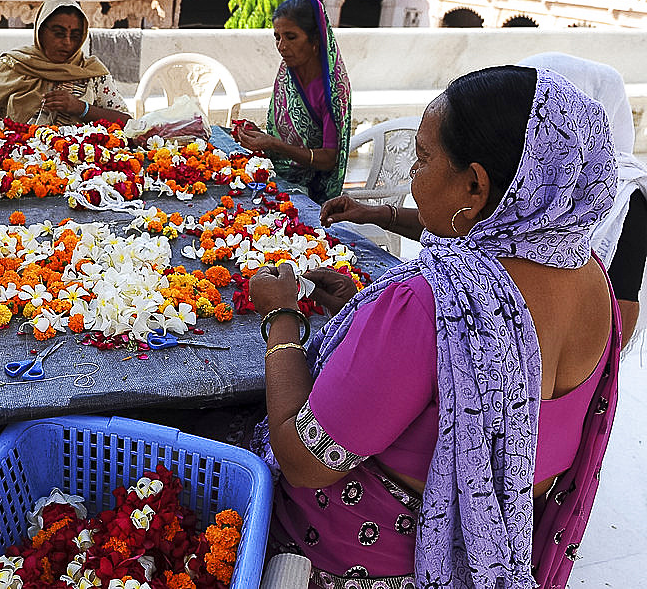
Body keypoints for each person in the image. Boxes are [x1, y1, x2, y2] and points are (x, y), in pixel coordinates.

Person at [249, 66, 620, 588]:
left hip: (378, 561)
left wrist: (280, 318)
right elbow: (478, 369)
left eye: (422, 159)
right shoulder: (592, 281)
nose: (412, 178)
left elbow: (305, 461)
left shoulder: (431, 303)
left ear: (475, 184)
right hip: (495, 551)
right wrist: (363, 312)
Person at [323, 52, 647, 349]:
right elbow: (461, 221)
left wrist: (285, 320)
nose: (413, 170)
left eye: (423, 158)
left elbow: (612, 340)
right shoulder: (526, 218)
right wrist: (378, 218)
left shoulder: (445, 299)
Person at [0, 0, 131, 126]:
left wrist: (81, 108)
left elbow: (127, 122)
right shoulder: (13, 65)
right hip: (16, 169)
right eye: (58, 33)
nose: (67, 42)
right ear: (40, 31)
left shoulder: (92, 73)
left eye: (75, 35)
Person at [236, 0, 352, 204]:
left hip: (311, 191)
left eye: (290, 37)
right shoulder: (289, 71)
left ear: (315, 39)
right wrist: (262, 137)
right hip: (277, 173)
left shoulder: (331, 90)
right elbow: (289, 136)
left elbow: (328, 159)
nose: (281, 46)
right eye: (277, 37)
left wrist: (274, 144)